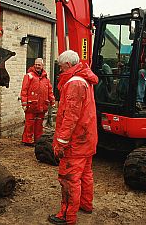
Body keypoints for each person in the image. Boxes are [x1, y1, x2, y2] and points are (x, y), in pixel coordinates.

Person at [48, 50, 99, 225]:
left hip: (76, 142)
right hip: (87, 139)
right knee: (85, 174)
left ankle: (67, 216)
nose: (60, 71)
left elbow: (70, 117)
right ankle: (85, 204)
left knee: (69, 178)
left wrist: (61, 142)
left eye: (61, 67)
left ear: (68, 65)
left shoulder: (74, 83)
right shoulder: (84, 79)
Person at [20, 58, 55, 146]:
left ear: (42, 66)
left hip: (42, 106)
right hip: (31, 105)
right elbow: (24, 90)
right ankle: (27, 140)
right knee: (30, 124)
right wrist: (24, 103)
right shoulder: (29, 76)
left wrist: (52, 102)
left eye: (39, 65)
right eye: (36, 64)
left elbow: (49, 91)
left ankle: (38, 140)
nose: (37, 66)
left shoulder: (45, 78)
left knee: (39, 124)